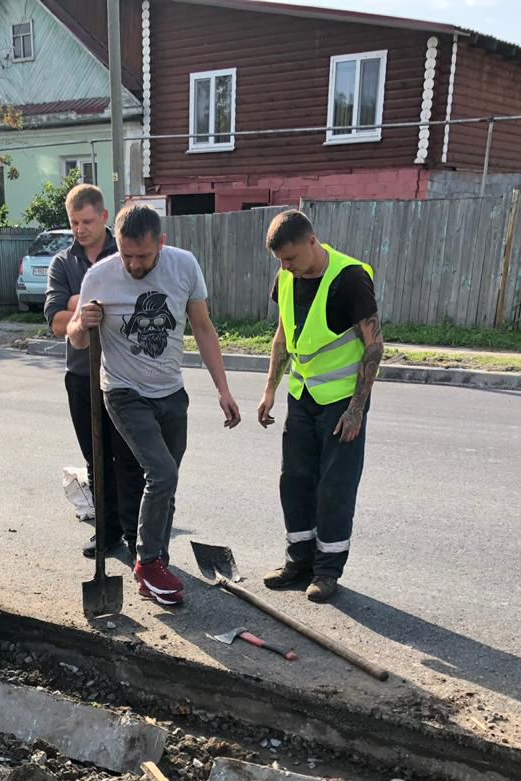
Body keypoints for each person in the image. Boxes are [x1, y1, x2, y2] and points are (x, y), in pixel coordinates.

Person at [67, 203, 239, 607]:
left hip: (170, 391)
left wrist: (223, 389)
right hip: (124, 392)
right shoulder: (100, 275)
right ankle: (147, 562)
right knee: (160, 472)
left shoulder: (184, 266)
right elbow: (74, 338)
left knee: (169, 477)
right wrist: (82, 323)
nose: (132, 263)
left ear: (161, 243)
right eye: (126, 254)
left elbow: (203, 328)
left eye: (142, 256)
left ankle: (157, 561)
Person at [257, 209, 383, 603]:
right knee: (294, 481)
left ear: (313, 242)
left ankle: (327, 571)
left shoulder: (349, 279)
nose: (286, 268)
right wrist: (269, 391)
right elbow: (282, 337)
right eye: (280, 261)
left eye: (291, 258)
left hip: (341, 403)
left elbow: (374, 345)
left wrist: (356, 409)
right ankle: (299, 562)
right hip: (302, 397)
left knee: (334, 488)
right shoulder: (286, 278)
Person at [44, 182, 144, 560]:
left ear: (104, 217)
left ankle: (136, 535)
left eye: (87, 220)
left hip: (122, 375)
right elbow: (56, 322)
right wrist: (81, 307)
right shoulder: (63, 263)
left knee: (128, 457)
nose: (80, 229)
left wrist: (81, 303)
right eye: (74, 222)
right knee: (95, 457)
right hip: (81, 375)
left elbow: (131, 309)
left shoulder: (124, 256)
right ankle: (107, 531)